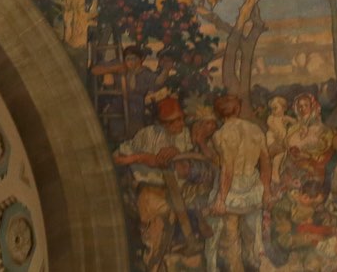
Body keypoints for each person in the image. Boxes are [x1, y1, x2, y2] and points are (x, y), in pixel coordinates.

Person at [114, 95, 197, 271]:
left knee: (165, 240)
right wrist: (144, 158)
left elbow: (187, 168)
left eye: (182, 119)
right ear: (163, 123)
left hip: (173, 193)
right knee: (155, 237)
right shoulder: (147, 135)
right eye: (175, 121)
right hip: (150, 193)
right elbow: (118, 158)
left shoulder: (184, 135)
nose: (181, 124)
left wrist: (177, 154)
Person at [207, 93, 270, 271]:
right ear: (239, 109)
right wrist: (267, 191)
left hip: (232, 194)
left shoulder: (221, 135)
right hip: (253, 192)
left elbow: (227, 171)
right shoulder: (256, 130)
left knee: (232, 240)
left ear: (218, 113)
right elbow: (266, 163)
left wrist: (221, 199)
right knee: (252, 238)